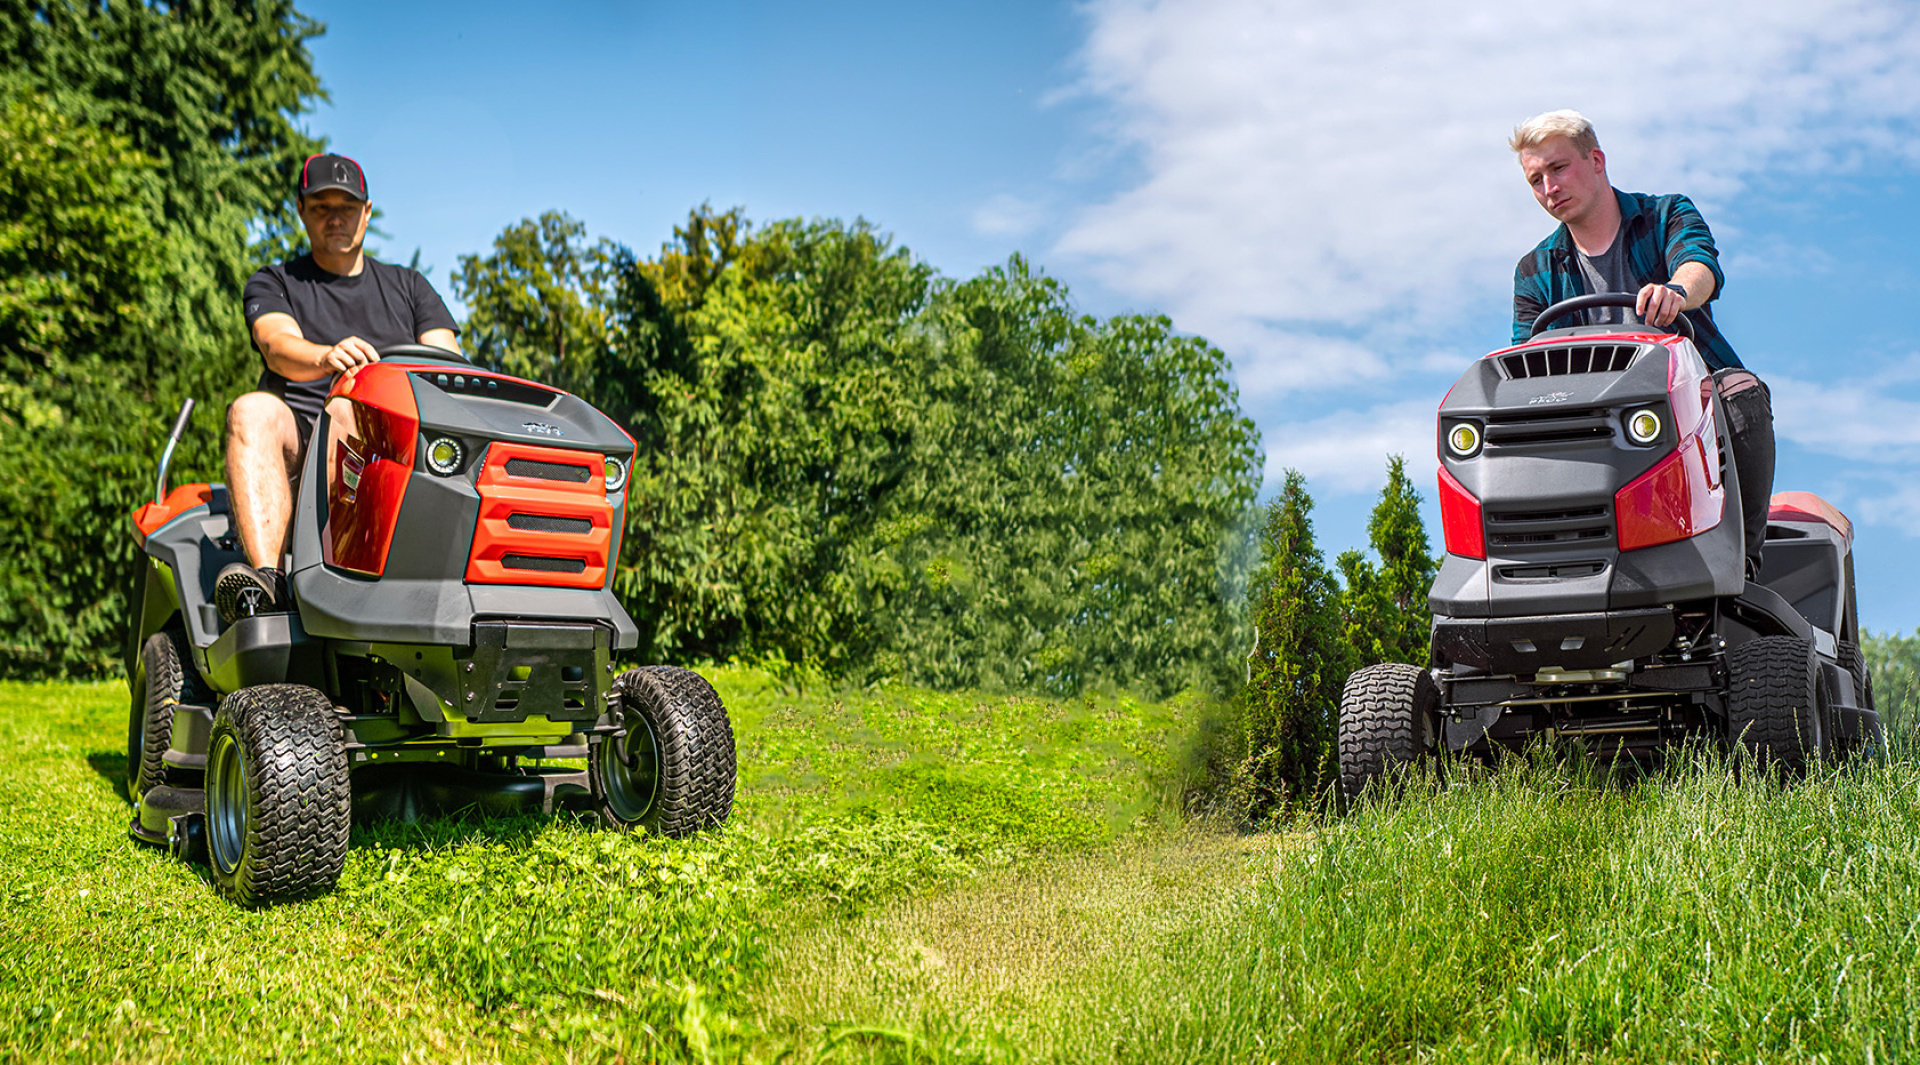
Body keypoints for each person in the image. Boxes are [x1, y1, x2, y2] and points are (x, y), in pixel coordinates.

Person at [1509, 109, 1774, 578]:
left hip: (1683, 403)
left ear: (1596, 160)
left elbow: (1699, 266)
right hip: (1590, 422)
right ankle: (1546, 566)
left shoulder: (1665, 214)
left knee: (1739, 391)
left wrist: (1676, 292)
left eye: (1558, 168)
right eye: (1535, 180)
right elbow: (1524, 367)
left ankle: (1743, 565)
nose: (1549, 189)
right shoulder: (1535, 271)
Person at [216, 153, 460, 621]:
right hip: (305, 433)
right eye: (322, 206)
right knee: (252, 410)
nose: (335, 218)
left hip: (396, 444)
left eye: (346, 207)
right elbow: (277, 344)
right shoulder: (276, 282)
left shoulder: (410, 287)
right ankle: (271, 583)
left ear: (366, 213)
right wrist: (325, 357)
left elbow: (447, 363)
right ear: (302, 210)